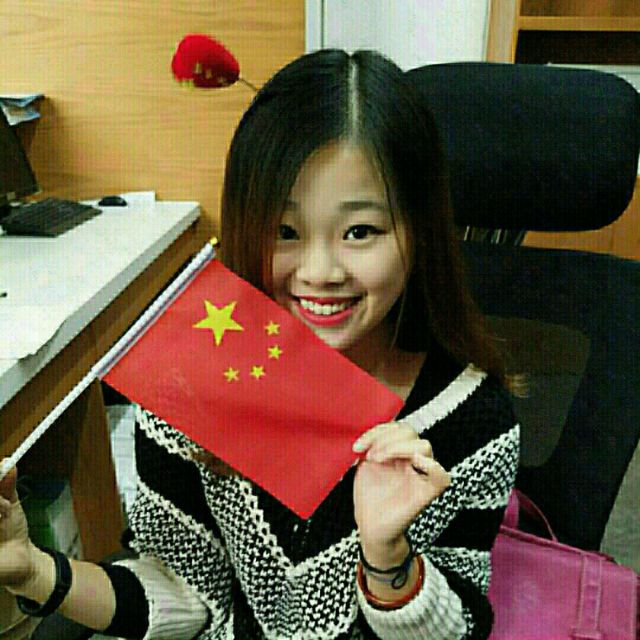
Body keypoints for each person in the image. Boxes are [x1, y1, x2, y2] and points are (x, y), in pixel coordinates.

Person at [0, 49, 519, 639]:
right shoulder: (195, 378)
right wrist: (35, 570)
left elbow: (461, 626)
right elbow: (184, 593)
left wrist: (389, 562)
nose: (320, 272)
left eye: (360, 231)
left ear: (419, 232)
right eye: (284, 230)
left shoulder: (474, 421)